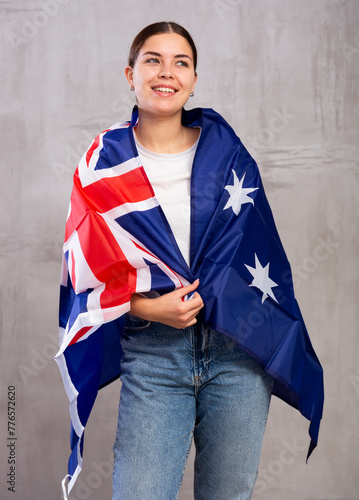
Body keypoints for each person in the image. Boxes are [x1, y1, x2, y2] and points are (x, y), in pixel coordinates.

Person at [56, 21, 323, 500]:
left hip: (237, 349)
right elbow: (87, 277)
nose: (167, 72)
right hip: (155, 352)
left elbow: (259, 256)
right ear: (129, 74)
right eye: (152, 60)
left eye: (181, 62)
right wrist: (149, 308)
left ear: (194, 79)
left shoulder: (227, 152)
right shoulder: (101, 166)